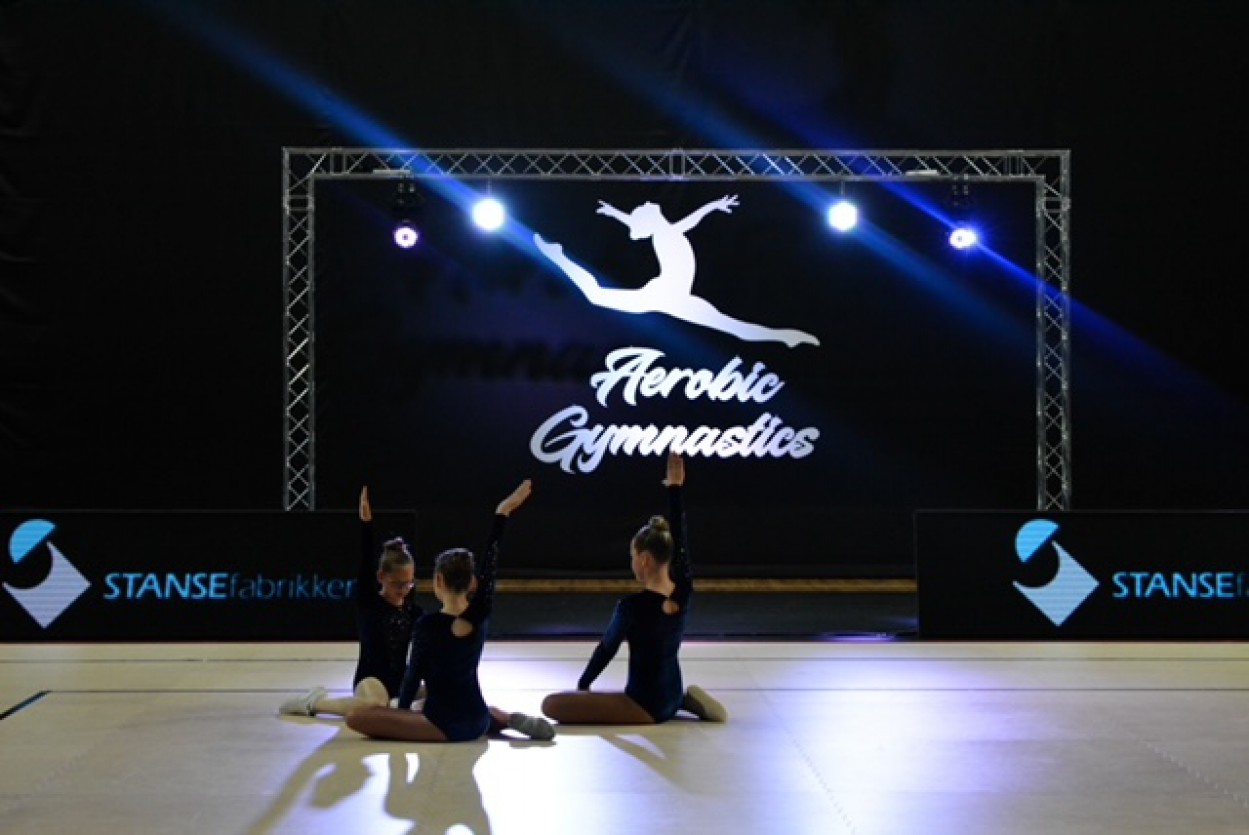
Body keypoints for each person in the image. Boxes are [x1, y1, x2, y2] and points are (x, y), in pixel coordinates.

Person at [343, 479, 556, 742]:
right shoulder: (480, 615)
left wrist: (401, 714)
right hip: (478, 719)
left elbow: (412, 678)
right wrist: (502, 513)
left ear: (439, 581)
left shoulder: (427, 625)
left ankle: (493, 716)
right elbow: (490, 568)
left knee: (358, 717)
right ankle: (502, 718)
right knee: (441, 695)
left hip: (445, 725)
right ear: (473, 583)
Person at [540, 453, 727, 725]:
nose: (631, 563)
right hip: (671, 692)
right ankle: (682, 700)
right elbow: (681, 541)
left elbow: (606, 650)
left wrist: (583, 685)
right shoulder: (683, 588)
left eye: (632, 557)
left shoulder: (631, 607)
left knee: (551, 705)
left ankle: (678, 703)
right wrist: (675, 489)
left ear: (644, 560)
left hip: (645, 705)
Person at [533, 195, 819, 348]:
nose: (635, 224)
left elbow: (683, 221)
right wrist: (617, 215)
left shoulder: (667, 232)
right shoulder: (666, 232)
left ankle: (786, 337)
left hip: (673, 296)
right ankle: (556, 256)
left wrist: (712, 206)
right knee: (596, 295)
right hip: (665, 294)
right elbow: (652, 224)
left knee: (735, 328)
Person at [278, 486, 421, 717]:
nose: (404, 590)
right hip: (372, 680)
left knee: (442, 693)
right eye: (397, 584)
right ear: (381, 577)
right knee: (372, 706)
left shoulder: (412, 611)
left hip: (400, 680)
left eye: (409, 584)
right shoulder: (369, 604)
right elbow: (365, 563)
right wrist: (366, 524)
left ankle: (396, 705)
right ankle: (315, 703)